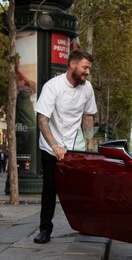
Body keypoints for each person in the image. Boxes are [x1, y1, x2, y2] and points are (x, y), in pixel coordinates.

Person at [33, 50, 97, 244]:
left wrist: (89, 145)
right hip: (50, 146)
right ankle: (45, 230)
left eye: (89, 68)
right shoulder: (53, 86)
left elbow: (88, 116)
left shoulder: (87, 88)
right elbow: (42, 118)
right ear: (73, 65)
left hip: (74, 148)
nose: (87, 72)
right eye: (85, 67)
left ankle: (84, 225)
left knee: (81, 188)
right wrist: (55, 146)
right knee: (50, 189)